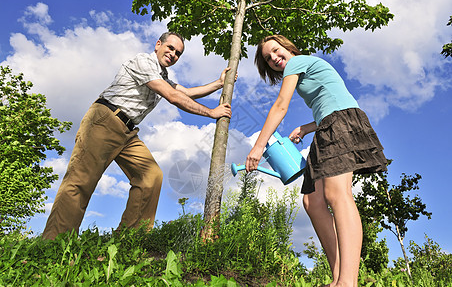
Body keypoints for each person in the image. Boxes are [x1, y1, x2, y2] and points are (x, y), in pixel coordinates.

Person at [42, 32, 233, 240]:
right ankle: (53, 244)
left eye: (178, 53)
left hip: (128, 131)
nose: (173, 54)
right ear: (158, 44)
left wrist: (219, 83)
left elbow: (186, 92)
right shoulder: (143, 61)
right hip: (105, 119)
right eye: (170, 48)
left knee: (150, 176)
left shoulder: (163, 77)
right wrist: (211, 112)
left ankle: (128, 241)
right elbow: (173, 96)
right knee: (81, 180)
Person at [246, 35, 387, 287]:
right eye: (268, 59)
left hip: (339, 124)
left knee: (338, 194)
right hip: (328, 125)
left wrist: (258, 147)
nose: (275, 59)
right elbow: (331, 100)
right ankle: (337, 278)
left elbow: (280, 106)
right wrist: (306, 127)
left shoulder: (297, 62)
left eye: (276, 51)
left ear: (288, 47)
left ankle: (348, 282)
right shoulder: (303, 69)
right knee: (312, 201)